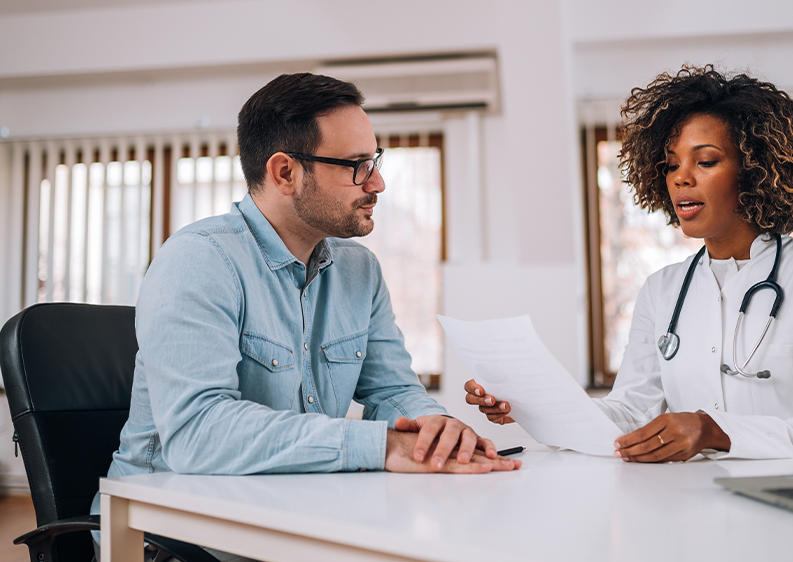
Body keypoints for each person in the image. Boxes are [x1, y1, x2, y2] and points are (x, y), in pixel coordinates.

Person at [93, 73, 518, 561]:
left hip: (291, 516)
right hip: (169, 538)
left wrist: (437, 432)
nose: (377, 183)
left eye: (374, 161)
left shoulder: (359, 269)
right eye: (357, 166)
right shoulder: (198, 262)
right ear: (285, 173)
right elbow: (197, 434)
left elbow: (391, 391)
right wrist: (379, 446)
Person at [465, 65, 793, 463]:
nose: (681, 178)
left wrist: (714, 432)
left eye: (706, 161)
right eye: (672, 164)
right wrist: (533, 406)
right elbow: (628, 413)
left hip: (791, 510)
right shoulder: (662, 291)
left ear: (755, 171)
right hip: (689, 505)